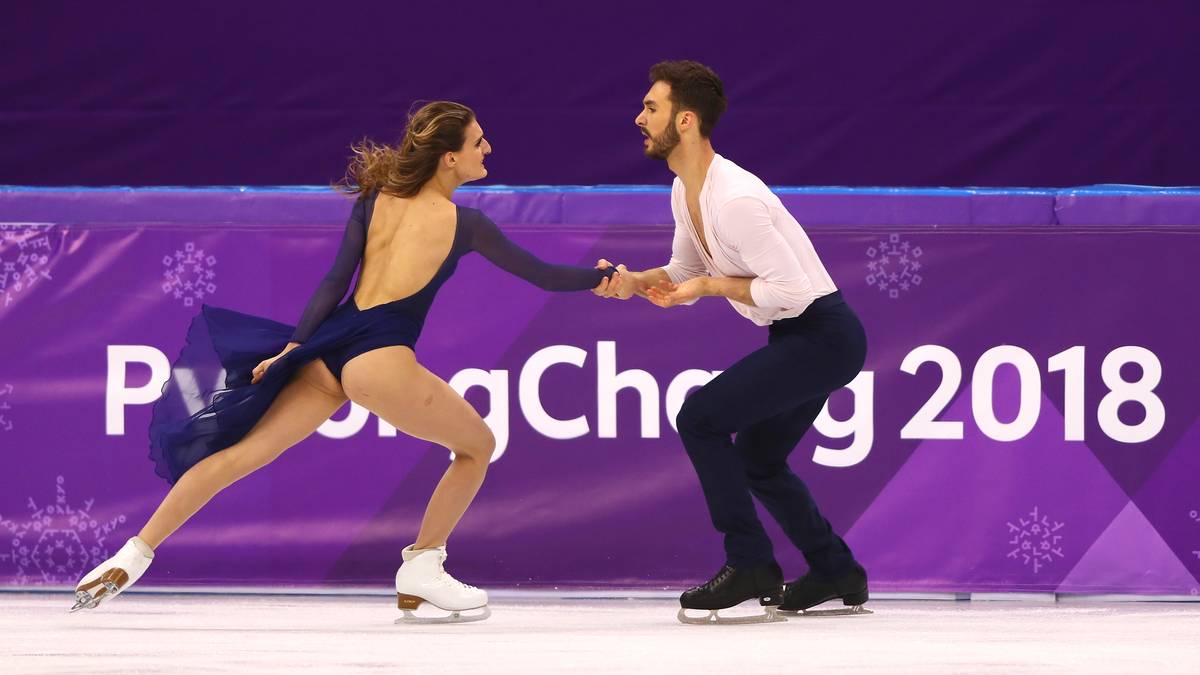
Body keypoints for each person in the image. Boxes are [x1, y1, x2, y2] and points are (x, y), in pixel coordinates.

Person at [72, 101, 619, 622]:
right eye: (478, 142)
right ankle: (423, 564)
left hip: (326, 350)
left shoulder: (376, 199)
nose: (488, 148)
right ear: (449, 156)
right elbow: (545, 277)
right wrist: (602, 276)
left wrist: (294, 347)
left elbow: (335, 282)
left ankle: (134, 553)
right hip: (378, 357)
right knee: (477, 446)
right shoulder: (466, 224)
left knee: (241, 457)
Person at [594, 61, 870, 623]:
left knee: (700, 418)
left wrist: (708, 285)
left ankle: (749, 562)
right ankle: (836, 569)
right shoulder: (684, 190)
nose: (638, 118)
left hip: (823, 334)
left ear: (686, 121)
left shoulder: (736, 199)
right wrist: (636, 282)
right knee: (759, 460)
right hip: (803, 334)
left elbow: (790, 290)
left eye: (652, 108)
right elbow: (683, 270)